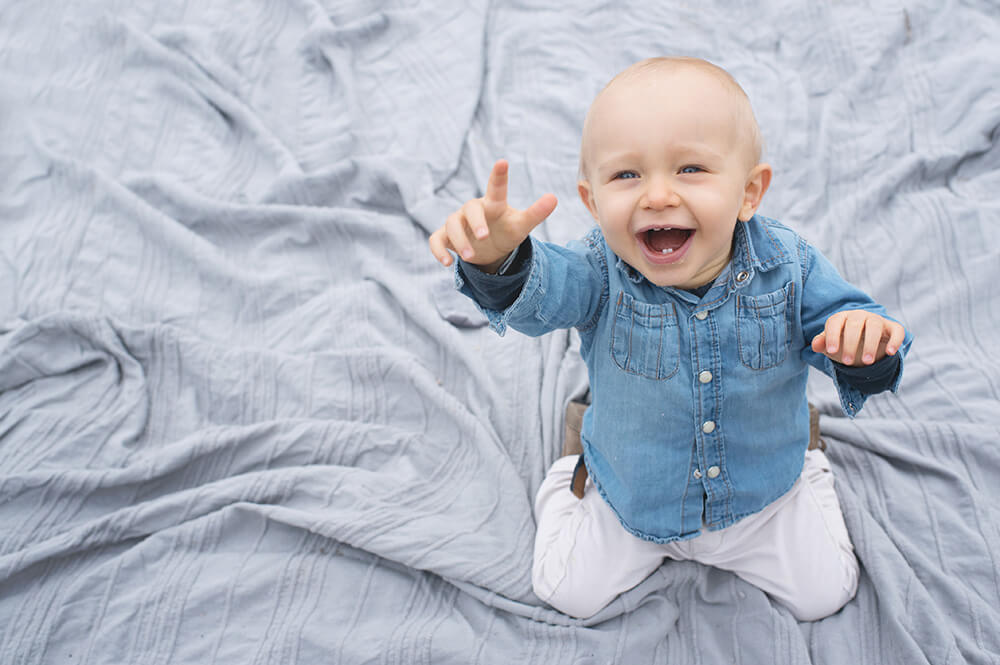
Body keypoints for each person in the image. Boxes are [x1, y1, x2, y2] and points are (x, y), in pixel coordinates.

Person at [428, 57, 911, 622]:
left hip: (762, 497)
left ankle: (811, 462)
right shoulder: (598, 269)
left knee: (827, 594)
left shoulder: (790, 268)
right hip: (635, 501)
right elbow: (543, 295)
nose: (657, 196)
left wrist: (866, 345)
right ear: (592, 202)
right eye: (626, 176)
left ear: (749, 193)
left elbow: (857, 330)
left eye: (690, 169)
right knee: (563, 589)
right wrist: (498, 260)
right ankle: (573, 464)